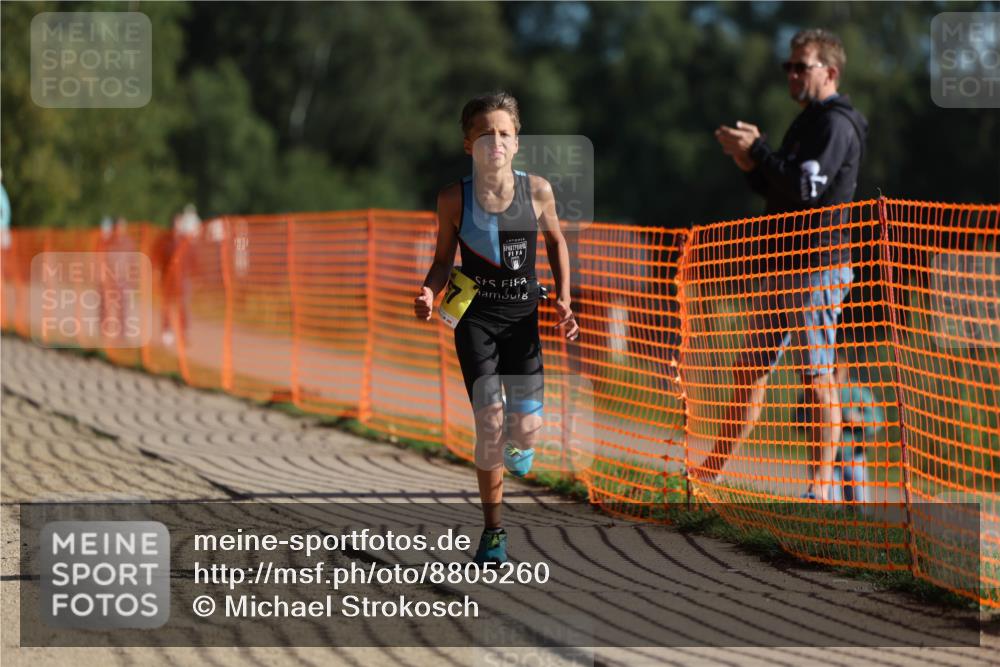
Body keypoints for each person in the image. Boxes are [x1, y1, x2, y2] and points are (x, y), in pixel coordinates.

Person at [699, 28, 869, 500]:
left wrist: (758, 152)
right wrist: (751, 162)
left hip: (817, 264)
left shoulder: (836, 123)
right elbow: (779, 190)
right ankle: (709, 472)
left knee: (815, 374)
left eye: (802, 66)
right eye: (788, 66)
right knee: (749, 368)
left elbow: (805, 189)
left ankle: (820, 488)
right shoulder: (807, 121)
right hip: (782, 262)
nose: (792, 74)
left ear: (829, 72)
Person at [414, 92, 579, 564]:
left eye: (504, 133)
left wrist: (564, 299)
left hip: (523, 319)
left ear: (517, 142)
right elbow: (443, 260)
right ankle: (493, 532)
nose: (496, 142)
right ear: (469, 145)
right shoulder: (453, 198)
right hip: (475, 319)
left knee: (525, 430)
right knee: (488, 424)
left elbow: (556, 242)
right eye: (485, 134)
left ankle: (519, 440)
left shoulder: (538, 191)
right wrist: (429, 291)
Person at [794, 363, 884, 501]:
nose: (835, 373)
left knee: (860, 506)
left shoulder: (856, 390)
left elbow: (877, 419)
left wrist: (858, 419)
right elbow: (798, 420)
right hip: (824, 460)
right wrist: (814, 419)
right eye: (832, 370)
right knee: (830, 505)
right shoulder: (815, 389)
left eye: (838, 370)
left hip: (853, 457)